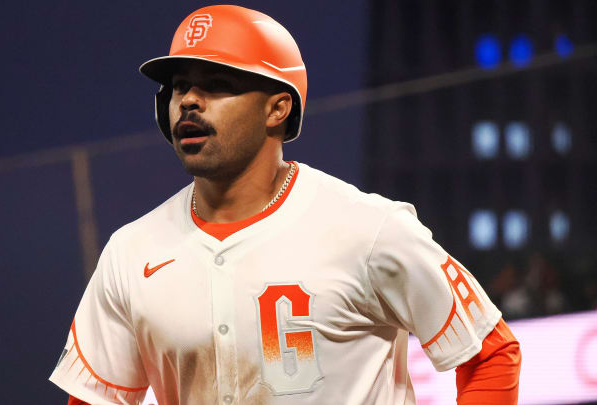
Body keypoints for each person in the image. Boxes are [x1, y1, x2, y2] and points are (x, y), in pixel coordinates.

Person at [49, 5, 521, 404]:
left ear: (277, 107)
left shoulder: (370, 228)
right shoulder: (130, 252)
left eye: (215, 83)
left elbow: (491, 354)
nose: (188, 101)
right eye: (178, 87)